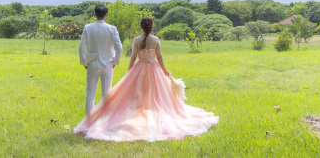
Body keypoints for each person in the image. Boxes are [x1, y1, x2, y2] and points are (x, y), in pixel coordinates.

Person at [74, 16, 219, 142]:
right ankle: (150, 111)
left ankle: (135, 111)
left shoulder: (136, 40)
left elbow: (133, 57)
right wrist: (165, 71)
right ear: (152, 26)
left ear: (141, 27)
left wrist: (129, 71)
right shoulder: (156, 40)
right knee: (156, 95)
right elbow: (160, 57)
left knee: (138, 94)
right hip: (154, 70)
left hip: (139, 69)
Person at [78, 4, 123, 116]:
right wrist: (115, 62)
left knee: (90, 95)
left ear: (95, 15)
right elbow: (120, 48)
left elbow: (81, 47)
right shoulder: (112, 29)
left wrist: (84, 62)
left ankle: (88, 123)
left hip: (92, 63)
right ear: (106, 15)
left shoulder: (88, 28)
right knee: (107, 95)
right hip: (108, 64)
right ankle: (105, 122)